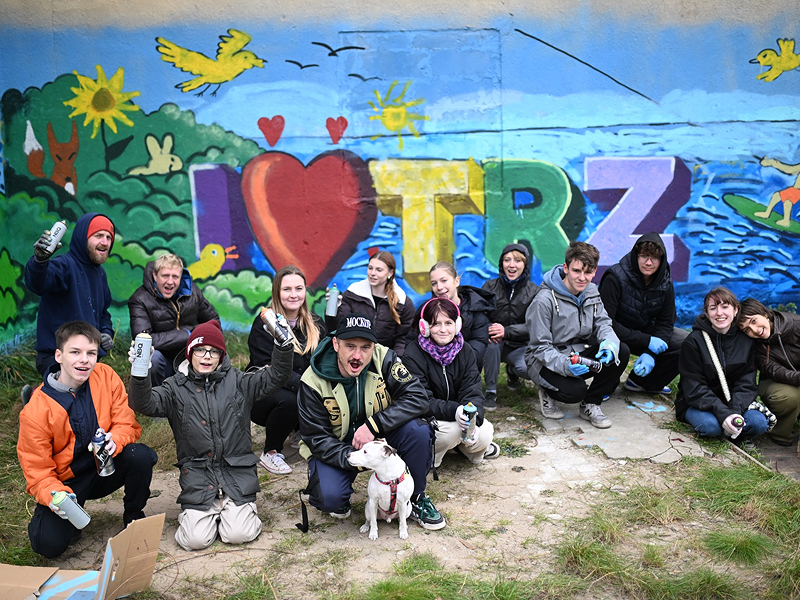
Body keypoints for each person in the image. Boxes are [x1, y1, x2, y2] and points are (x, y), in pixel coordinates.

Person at [127, 319, 293, 551]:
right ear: (189, 353)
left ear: (222, 356)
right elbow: (142, 403)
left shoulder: (238, 381)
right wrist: (139, 373)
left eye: (214, 352)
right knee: (194, 541)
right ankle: (200, 514)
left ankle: (237, 511)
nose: (207, 356)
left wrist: (283, 346)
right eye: (201, 350)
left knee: (238, 534)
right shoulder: (174, 387)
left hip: (236, 476)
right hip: (198, 478)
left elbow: (277, 375)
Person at [17, 321, 156, 559]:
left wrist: (118, 439)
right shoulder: (35, 411)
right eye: (75, 352)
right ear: (59, 355)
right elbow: (37, 472)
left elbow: (127, 423)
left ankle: (133, 516)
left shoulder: (106, 376)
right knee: (46, 545)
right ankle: (70, 522)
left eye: (91, 353)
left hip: (105, 467)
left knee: (140, 455)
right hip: (66, 483)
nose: (85, 360)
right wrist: (55, 495)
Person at [298, 313, 445, 530]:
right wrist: (355, 458)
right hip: (339, 445)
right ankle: (335, 491)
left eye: (365, 347)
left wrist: (374, 425)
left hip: (380, 437)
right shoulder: (312, 380)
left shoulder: (385, 358)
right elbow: (316, 437)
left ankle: (414, 497)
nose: (357, 355)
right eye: (350, 346)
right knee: (331, 499)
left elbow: (418, 397)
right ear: (336, 344)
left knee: (419, 431)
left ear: (374, 346)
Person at [525, 241, 628, 429]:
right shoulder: (544, 300)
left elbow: (603, 323)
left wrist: (608, 344)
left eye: (588, 272)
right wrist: (565, 367)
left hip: (576, 354)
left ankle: (590, 404)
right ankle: (547, 390)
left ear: (595, 271)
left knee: (622, 351)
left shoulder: (591, 291)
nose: (582, 278)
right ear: (566, 268)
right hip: (543, 360)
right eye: (576, 271)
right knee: (575, 391)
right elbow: (540, 347)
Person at [246, 266, 326, 474]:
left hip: (304, 390)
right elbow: (267, 367)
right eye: (287, 289)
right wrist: (308, 387)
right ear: (276, 292)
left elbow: (326, 361)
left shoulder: (315, 323)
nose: (293, 295)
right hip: (264, 395)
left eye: (298, 289)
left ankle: (300, 432)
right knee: (290, 400)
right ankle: (270, 452)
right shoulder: (265, 323)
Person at [403, 298, 500, 467]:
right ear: (424, 327)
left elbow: (473, 389)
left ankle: (466, 449)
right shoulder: (412, 354)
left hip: (456, 415)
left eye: (448, 323)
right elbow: (421, 400)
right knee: (451, 432)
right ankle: (429, 458)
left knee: (484, 433)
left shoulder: (466, 351)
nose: (443, 330)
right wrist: (455, 411)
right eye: (436, 324)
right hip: (427, 419)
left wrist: (472, 418)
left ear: (457, 325)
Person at [23, 213, 116, 380]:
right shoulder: (65, 265)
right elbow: (37, 284)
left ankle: (39, 392)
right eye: (98, 236)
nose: (105, 242)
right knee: (77, 396)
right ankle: (39, 397)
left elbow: (103, 314)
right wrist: (39, 261)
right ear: (83, 238)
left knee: (103, 393)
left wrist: (106, 333)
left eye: (109, 237)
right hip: (56, 357)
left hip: (88, 359)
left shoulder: (100, 274)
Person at [675, 288, 770, 445]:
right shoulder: (693, 342)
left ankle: (733, 430)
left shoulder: (746, 340)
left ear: (736, 309)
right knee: (711, 427)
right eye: (713, 308)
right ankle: (730, 430)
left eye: (725, 306)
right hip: (699, 403)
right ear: (707, 313)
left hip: (734, 403)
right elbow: (694, 387)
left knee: (759, 423)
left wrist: (734, 412)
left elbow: (747, 384)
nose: (719, 313)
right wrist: (723, 414)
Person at [599, 232, 687, 396]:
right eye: (644, 256)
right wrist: (647, 341)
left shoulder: (665, 282)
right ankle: (603, 385)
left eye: (654, 258)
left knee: (687, 342)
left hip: (646, 332)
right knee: (619, 348)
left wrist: (651, 353)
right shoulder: (615, 277)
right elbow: (605, 323)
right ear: (635, 256)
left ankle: (643, 382)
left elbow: (666, 322)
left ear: (661, 260)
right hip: (615, 334)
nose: (648, 262)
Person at [128, 252, 220, 387]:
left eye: (175, 277)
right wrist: (187, 335)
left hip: (189, 356)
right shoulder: (139, 299)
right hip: (161, 359)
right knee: (152, 358)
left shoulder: (192, 291)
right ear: (155, 275)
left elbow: (213, 321)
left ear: (181, 277)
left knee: (213, 352)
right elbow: (142, 340)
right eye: (165, 276)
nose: (170, 282)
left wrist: (201, 344)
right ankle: (157, 401)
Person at [481, 243, 540, 409]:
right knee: (492, 345)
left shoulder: (534, 291)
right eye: (507, 260)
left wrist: (506, 331)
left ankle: (513, 372)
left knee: (528, 370)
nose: (512, 265)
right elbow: (479, 316)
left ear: (525, 265)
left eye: (518, 261)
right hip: (495, 343)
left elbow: (534, 326)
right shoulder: (489, 287)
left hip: (520, 345)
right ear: (501, 264)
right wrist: (489, 328)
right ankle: (491, 392)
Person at [737, 298, 799, 446]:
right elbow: (774, 371)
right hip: (775, 383)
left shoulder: (796, 325)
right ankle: (781, 433)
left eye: (753, 321)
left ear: (764, 313)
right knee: (790, 396)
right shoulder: (755, 345)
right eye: (746, 330)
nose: (755, 330)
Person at [332, 250, 415, 356]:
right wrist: (334, 309)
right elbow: (339, 328)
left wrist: (396, 360)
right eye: (370, 268)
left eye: (379, 270)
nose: (372, 273)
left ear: (390, 273)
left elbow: (403, 337)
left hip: (385, 360)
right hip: (355, 356)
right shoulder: (352, 294)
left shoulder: (403, 302)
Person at [426, 261, 496, 371]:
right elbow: (412, 341)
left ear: (456, 281)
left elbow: (478, 344)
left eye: (444, 280)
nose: (439, 287)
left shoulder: (475, 308)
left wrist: (451, 363)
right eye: (434, 283)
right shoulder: (426, 311)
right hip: (433, 372)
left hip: (465, 371)